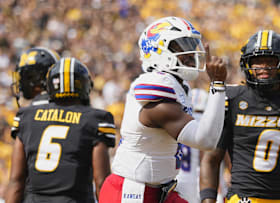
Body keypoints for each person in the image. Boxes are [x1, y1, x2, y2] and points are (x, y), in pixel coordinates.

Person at [99, 16, 227, 203]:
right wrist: (218, 85)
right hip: (132, 192)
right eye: (182, 45)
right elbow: (205, 140)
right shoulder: (156, 89)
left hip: (159, 189)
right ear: (159, 49)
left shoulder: (176, 86)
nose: (191, 54)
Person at [200, 30, 280, 203]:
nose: (263, 67)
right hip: (241, 198)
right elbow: (211, 158)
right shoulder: (232, 98)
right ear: (247, 65)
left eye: (270, 61)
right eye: (257, 62)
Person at [5, 57, 116, 203]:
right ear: (85, 85)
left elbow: (16, 181)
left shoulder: (26, 116)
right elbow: (101, 182)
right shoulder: (96, 119)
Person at [175, 88, 208, 203]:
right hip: (193, 181)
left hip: (175, 177)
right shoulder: (203, 124)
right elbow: (205, 158)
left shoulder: (176, 120)